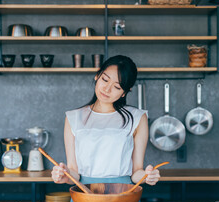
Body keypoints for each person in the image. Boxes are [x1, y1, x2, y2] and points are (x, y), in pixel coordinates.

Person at [51, 55, 161, 188]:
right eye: (105, 79)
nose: (107, 89)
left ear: (124, 93)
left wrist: (147, 176)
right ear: (97, 75)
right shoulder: (73, 117)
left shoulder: (137, 117)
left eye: (117, 87)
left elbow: (136, 172)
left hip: (122, 194)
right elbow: (74, 172)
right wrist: (65, 175)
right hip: (85, 194)